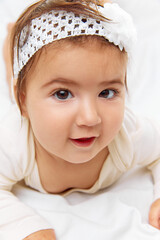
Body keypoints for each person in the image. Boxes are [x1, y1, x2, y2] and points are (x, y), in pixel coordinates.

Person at [1, 0, 160, 239]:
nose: (90, 118)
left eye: (107, 92)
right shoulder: (15, 138)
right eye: (63, 94)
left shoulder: (127, 134)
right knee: (15, 73)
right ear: (24, 102)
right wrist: (26, 227)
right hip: (21, 101)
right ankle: (12, 38)